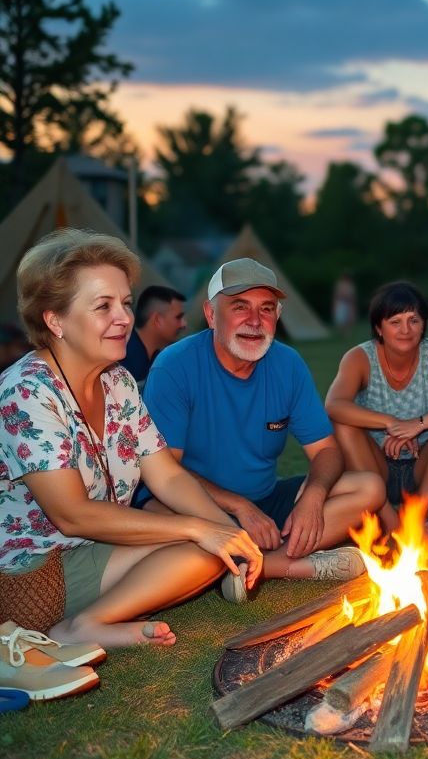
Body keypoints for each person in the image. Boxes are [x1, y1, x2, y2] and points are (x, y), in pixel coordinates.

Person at [0, 229, 262, 677]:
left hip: (95, 549)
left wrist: (227, 532)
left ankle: (86, 624)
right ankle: (80, 625)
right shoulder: (25, 392)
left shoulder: (117, 382)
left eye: (125, 302)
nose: (123, 317)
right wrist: (202, 528)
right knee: (198, 539)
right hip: (33, 572)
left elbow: (169, 477)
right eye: (103, 306)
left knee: (206, 546)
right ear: (55, 321)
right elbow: (73, 516)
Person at [143, 257, 384, 600]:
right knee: (158, 512)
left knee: (369, 487)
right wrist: (239, 506)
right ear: (211, 315)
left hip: (267, 504)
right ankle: (289, 564)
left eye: (267, 309)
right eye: (240, 307)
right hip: (196, 505)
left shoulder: (288, 364)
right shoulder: (174, 366)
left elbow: (326, 450)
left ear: (278, 317)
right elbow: (165, 471)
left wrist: (314, 497)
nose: (255, 322)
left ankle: (253, 565)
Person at [326, 281, 428, 532]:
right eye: (395, 322)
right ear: (378, 328)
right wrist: (390, 424)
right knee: (343, 423)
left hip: (423, 465)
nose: (406, 329)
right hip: (372, 465)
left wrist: (417, 425)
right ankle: (389, 521)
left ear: (424, 324)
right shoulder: (359, 357)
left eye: (413, 320)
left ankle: (416, 512)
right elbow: (334, 405)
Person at [120, 285, 187, 388]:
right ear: (158, 320)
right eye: (178, 317)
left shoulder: (158, 361)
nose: (184, 324)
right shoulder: (121, 359)